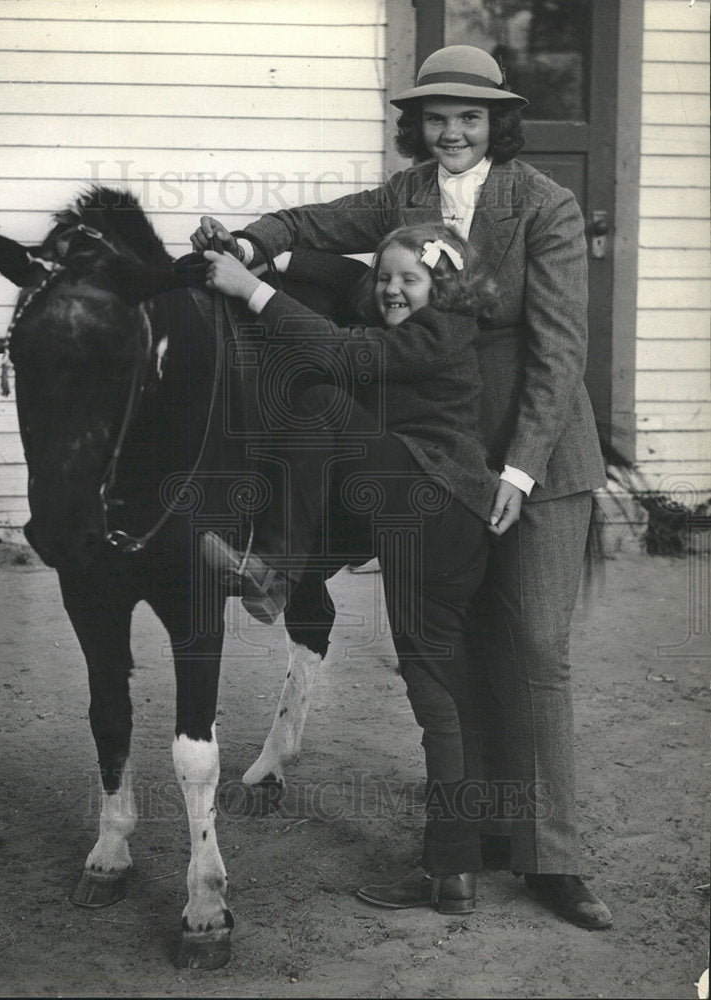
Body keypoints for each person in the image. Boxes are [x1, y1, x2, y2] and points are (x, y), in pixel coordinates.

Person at [192, 44, 612, 930]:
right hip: (444, 460)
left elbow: (558, 349)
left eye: (470, 116)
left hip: (536, 454)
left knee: (534, 650)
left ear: (499, 121)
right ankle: (483, 835)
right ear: (415, 124)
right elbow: (317, 222)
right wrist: (255, 240)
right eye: (435, 116)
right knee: (461, 653)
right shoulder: (406, 195)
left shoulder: (546, 205)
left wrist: (522, 466)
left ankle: (554, 861)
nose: (452, 131)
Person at [203, 224, 497, 913]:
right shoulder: (416, 308)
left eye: (410, 281)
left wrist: (251, 289)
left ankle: (275, 566)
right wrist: (266, 251)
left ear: (443, 290)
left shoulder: (438, 333)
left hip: (428, 501)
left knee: (317, 403)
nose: (392, 291)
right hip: (439, 516)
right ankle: (453, 870)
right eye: (385, 277)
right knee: (437, 692)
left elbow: (338, 348)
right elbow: (343, 278)